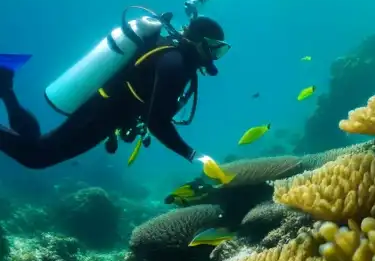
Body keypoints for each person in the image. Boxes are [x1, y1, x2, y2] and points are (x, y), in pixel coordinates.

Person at [0, 13, 228, 169]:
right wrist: (191, 154)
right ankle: (5, 84)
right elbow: (157, 122)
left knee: (37, 147)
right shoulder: (175, 64)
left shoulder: (173, 55)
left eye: (220, 52)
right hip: (103, 114)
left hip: (106, 110)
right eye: (214, 50)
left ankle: (5, 84)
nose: (214, 58)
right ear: (199, 42)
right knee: (36, 157)